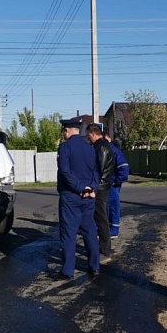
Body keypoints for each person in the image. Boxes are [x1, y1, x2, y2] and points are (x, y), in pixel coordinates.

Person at [54, 118, 100, 280]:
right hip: (88, 197)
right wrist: (91, 188)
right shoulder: (90, 148)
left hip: (71, 196)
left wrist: (80, 188)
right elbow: (96, 171)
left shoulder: (65, 148)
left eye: (63, 131)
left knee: (69, 233)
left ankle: (68, 271)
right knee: (90, 231)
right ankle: (94, 266)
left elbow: (65, 172)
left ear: (66, 131)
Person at [86, 123, 115, 264]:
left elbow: (100, 170)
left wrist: (93, 188)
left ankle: (105, 251)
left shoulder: (101, 147)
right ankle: (103, 248)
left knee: (101, 218)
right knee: (100, 218)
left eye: (88, 135)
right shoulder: (101, 145)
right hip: (102, 186)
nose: (87, 138)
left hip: (100, 187)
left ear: (92, 133)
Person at [105, 133, 129, 238]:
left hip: (112, 184)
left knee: (112, 206)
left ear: (109, 139)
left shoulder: (113, 151)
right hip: (108, 183)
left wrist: (116, 181)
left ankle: (114, 230)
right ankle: (107, 228)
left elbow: (124, 167)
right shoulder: (106, 150)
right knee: (106, 206)